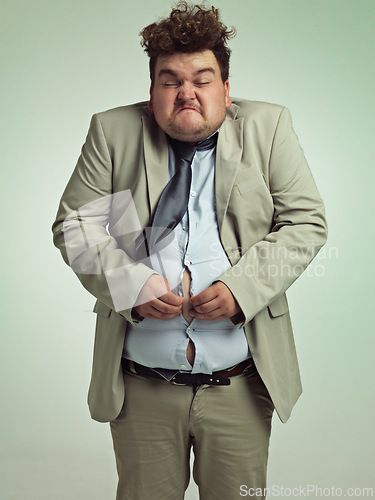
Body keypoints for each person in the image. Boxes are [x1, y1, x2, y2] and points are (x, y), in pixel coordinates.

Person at [52, 3, 328, 499]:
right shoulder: (113, 132)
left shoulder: (268, 127)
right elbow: (77, 225)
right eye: (170, 80)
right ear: (152, 89)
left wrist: (241, 288)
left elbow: (304, 223)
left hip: (240, 384)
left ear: (225, 87)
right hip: (140, 387)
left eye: (203, 79)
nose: (187, 93)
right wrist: (129, 284)